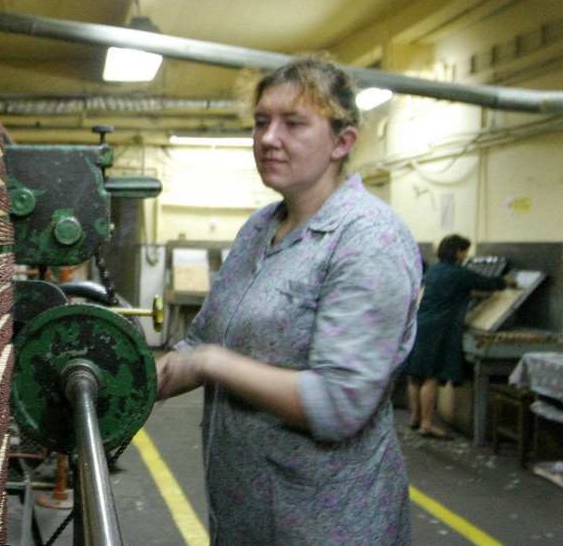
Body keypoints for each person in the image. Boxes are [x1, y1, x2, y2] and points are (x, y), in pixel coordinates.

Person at [154, 56, 422, 544]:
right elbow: (198, 342)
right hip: (245, 514)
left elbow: (339, 404)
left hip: (327, 521)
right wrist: (123, 384)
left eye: (293, 123)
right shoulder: (259, 228)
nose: (268, 138)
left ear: (342, 143)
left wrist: (215, 363)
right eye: (261, 122)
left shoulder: (367, 239)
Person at [404, 234, 514, 438]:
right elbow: (486, 282)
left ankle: (415, 418)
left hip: (421, 323)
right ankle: (427, 424)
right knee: (431, 376)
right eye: (464, 251)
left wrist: (470, 294)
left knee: (415, 374)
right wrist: (505, 281)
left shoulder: (435, 270)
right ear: (457, 252)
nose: (465, 255)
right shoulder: (458, 273)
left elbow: (450, 292)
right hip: (439, 327)